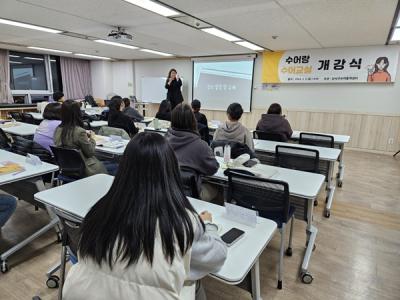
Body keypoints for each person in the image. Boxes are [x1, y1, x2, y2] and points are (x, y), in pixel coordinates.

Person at [62, 132, 227, 300]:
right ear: (170, 170)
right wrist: (208, 226)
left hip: (80, 293)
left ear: (124, 168)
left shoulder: (99, 211)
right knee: (192, 281)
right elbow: (217, 258)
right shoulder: (183, 223)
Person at [165, 104, 219, 199]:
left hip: (168, 193)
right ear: (193, 120)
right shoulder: (201, 145)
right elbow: (213, 169)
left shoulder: (163, 141)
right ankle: (207, 214)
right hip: (191, 195)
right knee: (218, 188)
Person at [54, 100, 114, 176]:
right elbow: (90, 152)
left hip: (67, 169)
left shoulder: (57, 129)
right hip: (85, 169)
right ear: (77, 113)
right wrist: (92, 138)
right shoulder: (79, 132)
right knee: (116, 166)